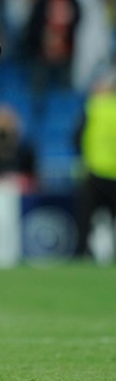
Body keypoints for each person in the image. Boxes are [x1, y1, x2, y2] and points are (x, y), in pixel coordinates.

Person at [74, 72, 116, 260]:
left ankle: (82, 253)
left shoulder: (93, 107)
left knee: (86, 218)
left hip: (95, 172)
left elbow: (76, 137)